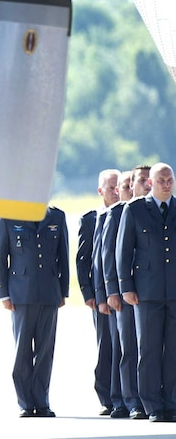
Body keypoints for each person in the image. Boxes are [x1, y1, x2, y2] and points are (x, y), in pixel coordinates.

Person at [0, 205, 70, 418]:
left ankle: (42, 400)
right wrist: (4, 294)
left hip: (49, 291)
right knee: (23, 350)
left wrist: (63, 290)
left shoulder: (57, 216)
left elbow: (63, 255)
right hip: (21, 293)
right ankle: (26, 402)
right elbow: (0, 257)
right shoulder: (8, 216)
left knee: (45, 350)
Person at [116, 162, 176, 422]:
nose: (166, 184)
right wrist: (125, 286)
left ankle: (172, 402)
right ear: (150, 183)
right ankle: (152, 405)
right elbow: (123, 250)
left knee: (173, 349)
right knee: (149, 350)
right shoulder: (135, 209)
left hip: (173, 290)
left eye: (170, 180)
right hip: (146, 292)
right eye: (161, 180)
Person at [102, 166, 148, 420]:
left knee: (148, 348)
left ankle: (146, 395)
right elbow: (108, 255)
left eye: (136, 183)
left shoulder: (149, 211)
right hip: (123, 292)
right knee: (127, 347)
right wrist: (111, 291)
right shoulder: (117, 213)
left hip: (149, 291)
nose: (132, 188)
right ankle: (128, 399)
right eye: (128, 184)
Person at [76, 169, 119, 416]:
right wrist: (88, 293)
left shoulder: (129, 213)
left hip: (123, 293)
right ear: (100, 190)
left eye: (118, 186)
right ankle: (106, 396)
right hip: (101, 295)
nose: (115, 191)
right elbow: (83, 260)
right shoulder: (91, 219)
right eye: (110, 187)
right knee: (106, 346)